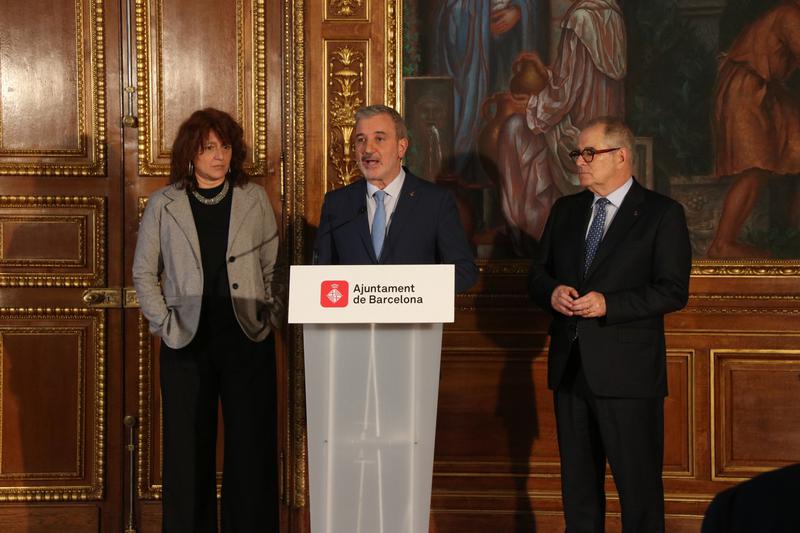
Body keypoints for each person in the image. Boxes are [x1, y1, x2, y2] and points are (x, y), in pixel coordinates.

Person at [528, 117, 691, 532]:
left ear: (621, 156)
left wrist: (608, 304)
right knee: (579, 497)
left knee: (638, 498)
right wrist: (552, 293)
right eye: (576, 154)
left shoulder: (661, 214)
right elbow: (538, 274)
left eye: (588, 153)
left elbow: (673, 290)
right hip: (571, 370)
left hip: (629, 378)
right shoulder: (566, 210)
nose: (578, 162)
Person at [132, 108, 284, 532]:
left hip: (247, 339)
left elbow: (276, 266)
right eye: (209, 148)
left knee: (250, 450)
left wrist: (270, 316)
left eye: (226, 147)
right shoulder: (165, 204)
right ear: (191, 153)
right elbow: (144, 272)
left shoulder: (253, 199)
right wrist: (163, 321)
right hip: (186, 342)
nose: (219, 156)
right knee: (186, 453)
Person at [497, 0, 626, 256]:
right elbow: (577, 80)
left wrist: (530, 106)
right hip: (603, 135)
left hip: (574, 138)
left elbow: (565, 95)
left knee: (512, 130)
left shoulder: (580, 18)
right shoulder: (610, 12)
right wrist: (545, 73)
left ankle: (526, 234)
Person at [313, 104, 478, 293]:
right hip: (354, 322)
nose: (367, 149)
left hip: (413, 320)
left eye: (379, 138)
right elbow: (321, 273)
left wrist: (411, 292)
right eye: (360, 140)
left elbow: (464, 271)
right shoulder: (337, 204)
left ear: (401, 147)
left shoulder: (435, 202)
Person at [707, 0, 800, 258]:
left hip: (768, 92)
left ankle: (794, 235)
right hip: (747, 89)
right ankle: (723, 244)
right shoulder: (790, 14)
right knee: (755, 167)